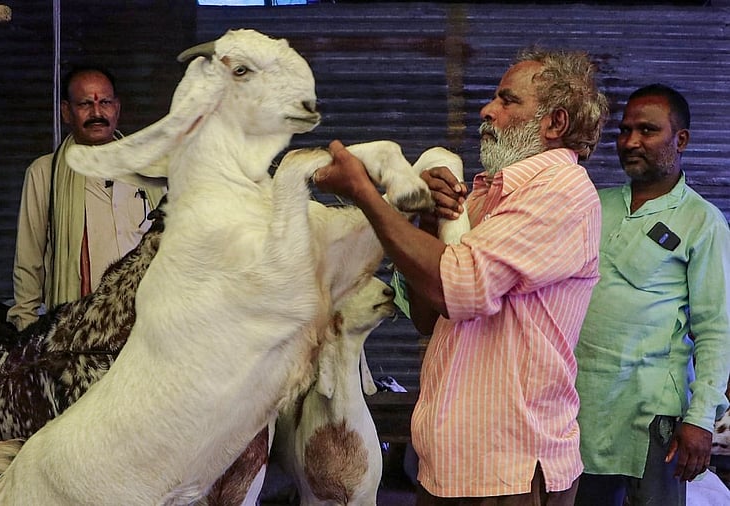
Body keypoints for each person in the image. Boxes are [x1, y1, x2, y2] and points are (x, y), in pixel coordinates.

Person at [312, 48, 609, 504]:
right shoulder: (489, 195)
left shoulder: (561, 192)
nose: (487, 110)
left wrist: (366, 196)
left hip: (507, 471)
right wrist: (431, 219)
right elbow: (431, 319)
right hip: (452, 465)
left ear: (555, 123)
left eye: (507, 101)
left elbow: (455, 286)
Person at [574, 84, 730, 506]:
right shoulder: (593, 205)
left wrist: (700, 419)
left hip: (653, 419)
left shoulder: (703, 222)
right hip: (580, 409)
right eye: (624, 131)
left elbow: (716, 330)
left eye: (647, 130)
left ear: (680, 140)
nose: (630, 142)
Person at [6, 65, 167, 330]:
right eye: (85, 104)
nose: (97, 113)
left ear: (117, 108)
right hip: (80, 331)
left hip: (147, 325)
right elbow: (29, 261)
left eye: (104, 102)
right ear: (66, 111)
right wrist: (26, 329)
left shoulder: (150, 171)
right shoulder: (45, 173)